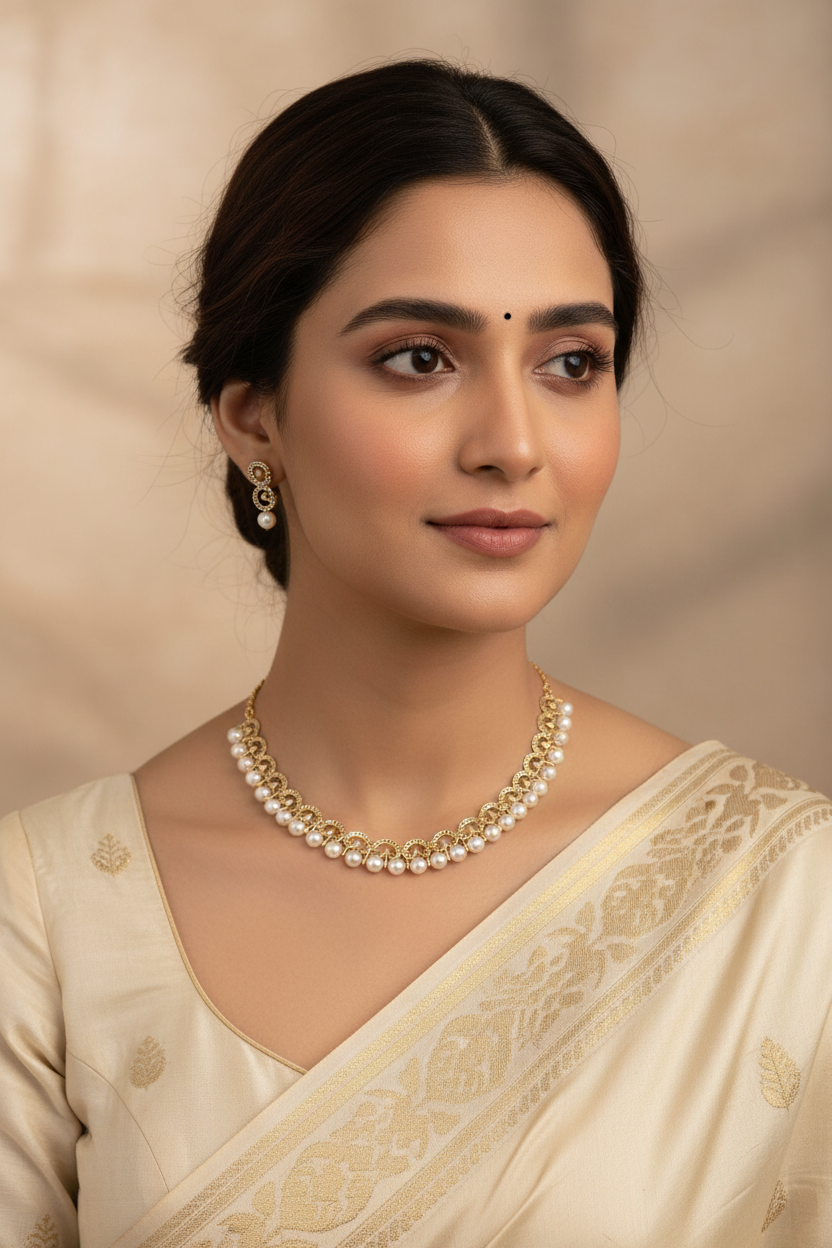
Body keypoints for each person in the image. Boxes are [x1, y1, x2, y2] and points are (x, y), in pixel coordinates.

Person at [1, 59, 828, 1248]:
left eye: (570, 364)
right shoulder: (50, 915)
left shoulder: (782, 893)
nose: (512, 442)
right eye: (419, 359)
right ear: (254, 415)